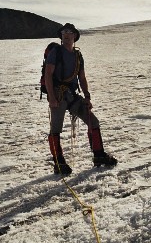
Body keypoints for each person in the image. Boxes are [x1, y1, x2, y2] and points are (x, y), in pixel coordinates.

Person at [44, 23, 118, 174]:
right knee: (55, 130)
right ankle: (59, 163)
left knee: (94, 122)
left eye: (69, 32)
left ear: (75, 36)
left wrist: (87, 97)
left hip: (72, 96)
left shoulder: (78, 56)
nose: (66, 34)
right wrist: (52, 98)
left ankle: (98, 155)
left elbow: (82, 78)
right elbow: (48, 75)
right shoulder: (55, 52)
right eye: (64, 32)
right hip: (58, 96)